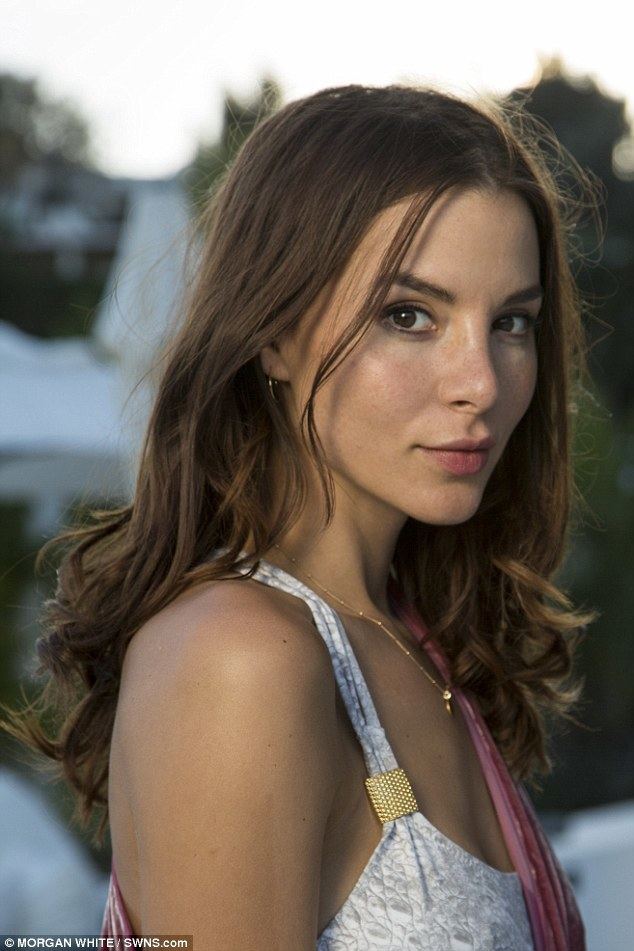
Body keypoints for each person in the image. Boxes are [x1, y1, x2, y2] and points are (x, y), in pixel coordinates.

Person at [1, 83, 600, 949]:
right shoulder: (239, 657)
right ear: (274, 333)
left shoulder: (412, 636)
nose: (482, 381)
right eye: (409, 315)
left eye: (512, 322)